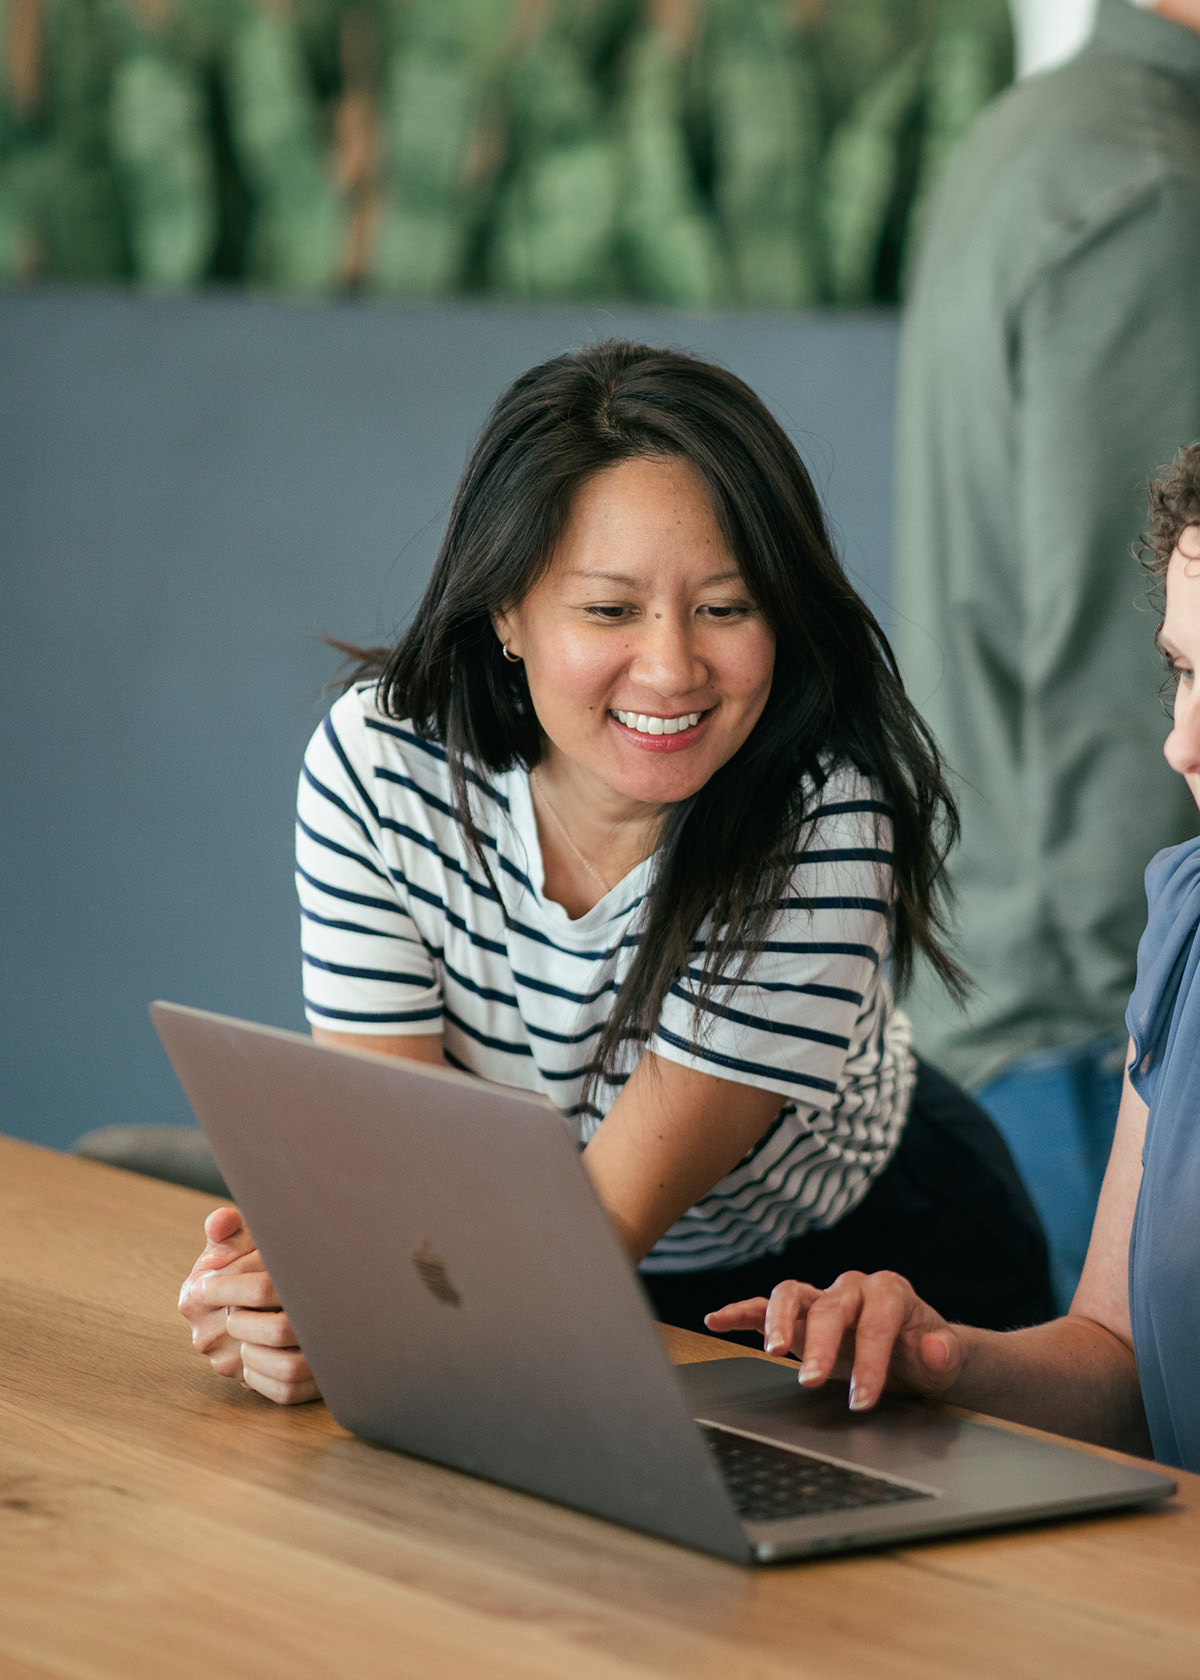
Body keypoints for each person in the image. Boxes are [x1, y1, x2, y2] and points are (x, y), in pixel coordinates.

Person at [177, 339, 1052, 1406]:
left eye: (726, 609)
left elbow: (592, 1231)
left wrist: (363, 1312)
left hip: (841, 1281)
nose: (674, 667)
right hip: (531, 1272)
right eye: (608, 610)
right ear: (505, 609)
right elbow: (396, 1168)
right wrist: (280, 1304)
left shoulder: (823, 823)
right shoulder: (380, 765)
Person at [708, 442, 1200, 1472]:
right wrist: (935, 1360)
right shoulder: (1188, 920)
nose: (1181, 745)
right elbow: (1123, 1369)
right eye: (1185, 672)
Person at [893, 0, 1200, 1308]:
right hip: (1093, 1036)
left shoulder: (1034, 140)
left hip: (1031, 997)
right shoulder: (1157, 187)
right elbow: (1131, 666)